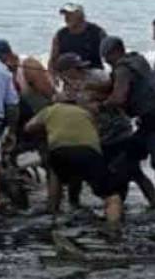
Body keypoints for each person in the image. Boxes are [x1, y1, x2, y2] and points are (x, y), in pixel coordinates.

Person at [55, 52, 155, 208]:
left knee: (134, 171)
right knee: (91, 174)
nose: (80, 71)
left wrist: (91, 95)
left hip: (119, 131)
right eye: (75, 69)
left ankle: (150, 203)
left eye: (79, 68)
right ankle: (78, 206)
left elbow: (115, 93)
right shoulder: (67, 85)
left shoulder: (98, 76)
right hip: (99, 136)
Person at [25, 100, 124, 231]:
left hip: (59, 151)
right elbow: (96, 133)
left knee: (55, 172)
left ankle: (53, 212)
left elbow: (28, 127)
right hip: (88, 153)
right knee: (112, 196)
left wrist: (45, 131)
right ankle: (114, 231)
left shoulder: (50, 109)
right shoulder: (85, 113)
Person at [99, 36, 155, 171]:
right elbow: (113, 84)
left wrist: (101, 106)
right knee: (130, 156)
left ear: (116, 52)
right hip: (147, 121)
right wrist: (90, 85)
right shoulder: (138, 60)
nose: (107, 61)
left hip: (151, 121)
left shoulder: (122, 69)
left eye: (107, 57)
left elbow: (118, 98)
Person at [47, 3, 107, 74]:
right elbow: (53, 60)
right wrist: (53, 75)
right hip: (67, 73)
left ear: (80, 15)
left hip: (93, 72)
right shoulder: (60, 34)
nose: (66, 17)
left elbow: (109, 54)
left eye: (70, 14)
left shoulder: (97, 32)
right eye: (65, 15)